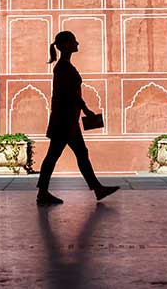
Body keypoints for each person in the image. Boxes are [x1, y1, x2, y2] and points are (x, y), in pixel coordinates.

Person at [36, 31, 120, 206]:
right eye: (74, 41)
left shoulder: (64, 66)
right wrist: (85, 109)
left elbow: (71, 93)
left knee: (74, 154)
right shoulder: (63, 67)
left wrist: (84, 110)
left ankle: (97, 188)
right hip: (64, 120)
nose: (77, 44)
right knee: (57, 155)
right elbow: (69, 94)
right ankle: (44, 193)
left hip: (67, 118)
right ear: (66, 45)